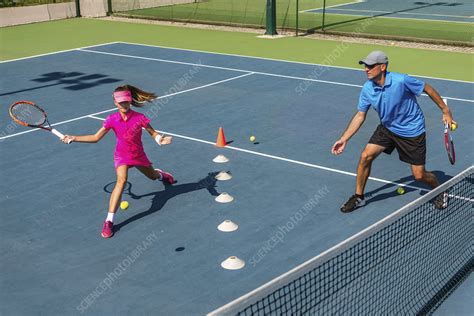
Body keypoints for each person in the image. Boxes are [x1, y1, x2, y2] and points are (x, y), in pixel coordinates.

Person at [331, 51, 455, 213]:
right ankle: (359, 197)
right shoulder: (367, 89)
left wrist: (445, 111)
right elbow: (360, 115)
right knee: (365, 156)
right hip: (388, 127)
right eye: (365, 66)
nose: (366, 69)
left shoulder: (401, 81)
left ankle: (440, 189)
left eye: (370, 66)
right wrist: (344, 138)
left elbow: (427, 88)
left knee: (419, 175)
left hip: (412, 131)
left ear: (382, 67)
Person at [62, 85, 174, 238]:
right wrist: (74, 138)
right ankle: (109, 221)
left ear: (130, 101)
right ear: (115, 102)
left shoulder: (139, 117)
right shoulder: (111, 120)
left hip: (138, 156)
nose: (124, 104)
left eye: (126, 101)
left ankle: (161, 175)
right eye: (120, 102)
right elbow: (95, 138)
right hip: (121, 156)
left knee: (153, 176)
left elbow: (152, 133)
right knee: (121, 181)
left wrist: (160, 140)